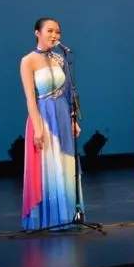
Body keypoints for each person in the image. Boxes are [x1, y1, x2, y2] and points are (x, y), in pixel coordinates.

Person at [19, 17, 83, 230]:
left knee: (65, 164)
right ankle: (50, 218)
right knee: (48, 165)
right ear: (37, 32)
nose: (54, 35)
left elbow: (68, 93)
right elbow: (30, 97)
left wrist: (73, 118)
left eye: (57, 32)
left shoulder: (61, 58)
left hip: (63, 114)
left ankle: (67, 215)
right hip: (44, 114)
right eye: (49, 31)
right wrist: (37, 127)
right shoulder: (28, 60)